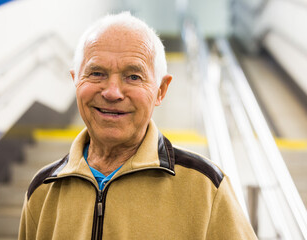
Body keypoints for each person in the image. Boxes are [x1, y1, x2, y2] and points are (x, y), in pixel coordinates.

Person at [19, 12, 257, 240]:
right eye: (97, 73)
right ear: (75, 81)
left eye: (133, 76)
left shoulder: (206, 187)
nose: (112, 92)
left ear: (160, 91)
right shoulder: (43, 190)